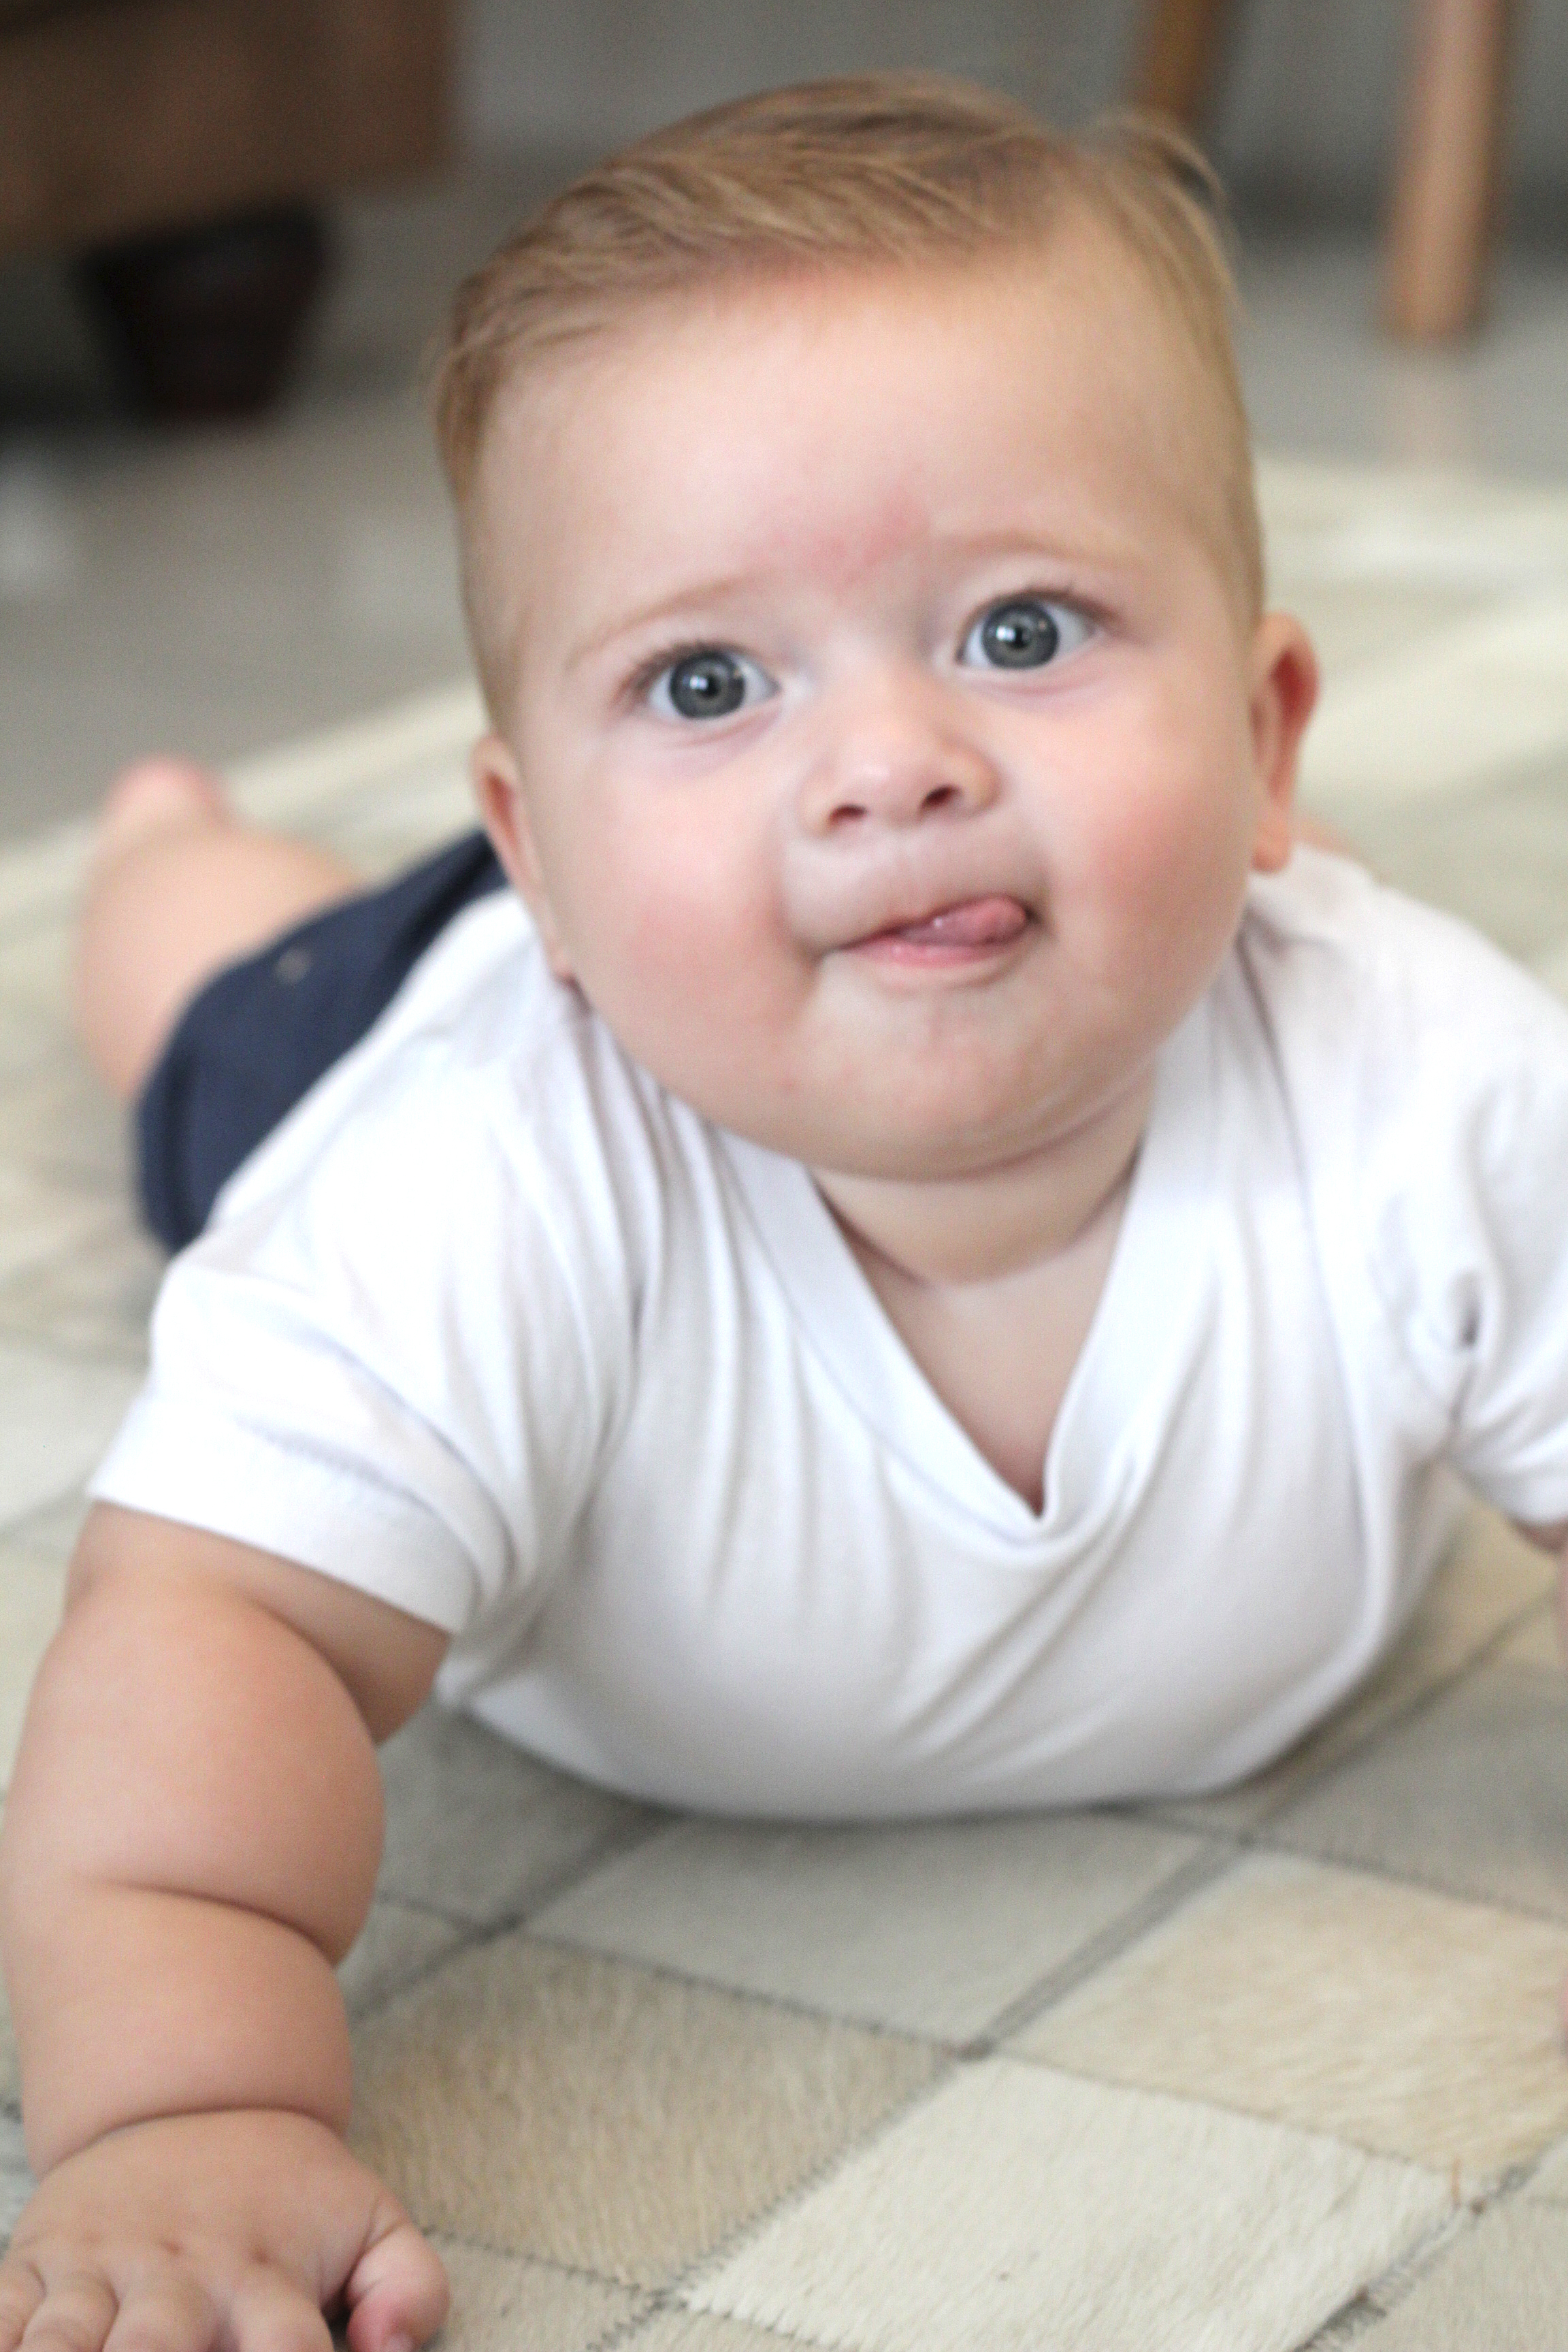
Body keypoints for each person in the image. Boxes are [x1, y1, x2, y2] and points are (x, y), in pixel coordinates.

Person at [4, 71, 1568, 2352]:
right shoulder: (470, 1177)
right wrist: (182, 2111)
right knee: (222, 1020)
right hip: (489, 1025)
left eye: (1023, 632)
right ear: (538, 856)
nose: (889, 763)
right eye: (710, 680)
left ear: (1270, 733)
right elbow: (213, 1627)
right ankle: (179, 853)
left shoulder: (1432, 1084)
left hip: (755, 928)